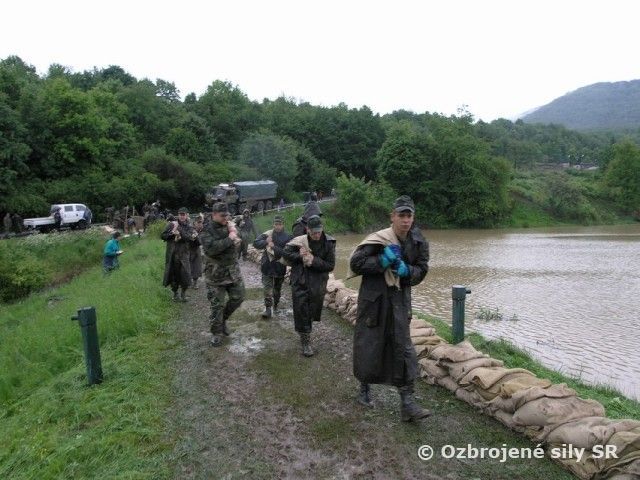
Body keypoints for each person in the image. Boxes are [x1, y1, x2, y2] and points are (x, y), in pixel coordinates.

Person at [349, 195, 431, 422]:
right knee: (369, 345)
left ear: (413, 217)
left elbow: (422, 270)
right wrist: (381, 262)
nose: (405, 220)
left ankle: (407, 404)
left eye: (409, 216)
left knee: (404, 350)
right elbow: (356, 264)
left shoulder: (419, 242)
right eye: (401, 215)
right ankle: (364, 390)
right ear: (392, 216)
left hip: (400, 301)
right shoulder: (378, 240)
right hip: (374, 301)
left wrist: (407, 272)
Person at [282, 215, 335, 357]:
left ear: (322, 229)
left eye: (319, 232)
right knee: (301, 309)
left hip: (318, 282)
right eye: (313, 233)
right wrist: (300, 256)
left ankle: (305, 330)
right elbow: (285, 253)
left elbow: (330, 265)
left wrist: (313, 260)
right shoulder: (299, 241)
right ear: (307, 230)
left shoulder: (329, 243)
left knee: (312, 310)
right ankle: (306, 342)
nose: (317, 235)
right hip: (300, 280)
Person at [199, 202, 245, 347]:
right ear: (214, 214)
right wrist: (230, 238)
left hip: (233, 271)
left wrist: (235, 232)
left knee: (239, 297)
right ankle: (216, 332)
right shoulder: (206, 230)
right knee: (216, 305)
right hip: (215, 274)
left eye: (227, 215)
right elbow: (212, 249)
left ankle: (222, 319)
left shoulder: (229, 225)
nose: (226, 218)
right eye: (222, 215)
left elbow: (241, 240)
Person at [253, 215, 292, 318]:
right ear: (273, 225)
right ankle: (268, 309)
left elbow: (286, 253)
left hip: (280, 267)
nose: (278, 226)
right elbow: (256, 243)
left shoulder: (287, 237)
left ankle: (276, 304)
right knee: (267, 288)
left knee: (277, 290)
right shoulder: (267, 234)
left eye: (280, 224)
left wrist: (273, 247)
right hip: (267, 266)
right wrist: (266, 241)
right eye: (276, 224)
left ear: (283, 225)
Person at [161, 207, 197, 302]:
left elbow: (188, 238)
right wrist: (172, 233)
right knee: (174, 276)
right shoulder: (171, 224)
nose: (182, 216)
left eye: (183, 214)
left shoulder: (189, 226)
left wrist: (179, 229)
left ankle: (183, 294)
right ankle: (175, 294)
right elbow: (163, 236)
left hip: (184, 255)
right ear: (178, 215)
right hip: (173, 255)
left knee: (186, 275)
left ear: (187, 215)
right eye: (180, 214)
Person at [190, 217, 204, 289]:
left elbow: (200, 242)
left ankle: (195, 282)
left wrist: (196, 236)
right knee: (188, 266)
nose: (200, 224)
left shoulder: (202, 231)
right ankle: (187, 281)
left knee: (197, 267)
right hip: (188, 250)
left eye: (201, 222)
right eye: (198, 222)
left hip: (197, 249)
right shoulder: (190, 229)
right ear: (194, 223)